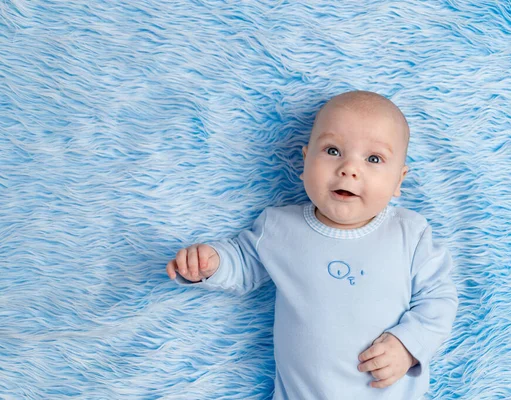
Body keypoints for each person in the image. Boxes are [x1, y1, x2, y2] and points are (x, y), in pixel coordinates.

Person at [166, 90, 458, 399]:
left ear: (399, 180)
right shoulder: (279, 227)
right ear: (305, 162)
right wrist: (209, 262)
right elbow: (242, 261)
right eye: (332, 150)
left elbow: (439, 299)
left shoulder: (409, 233)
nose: (349, 168)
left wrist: (407, 345)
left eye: (374, 158)